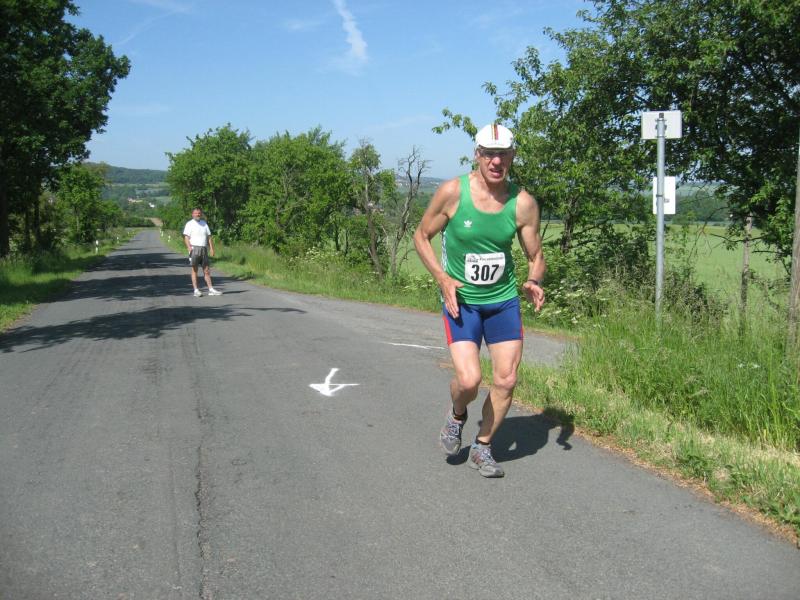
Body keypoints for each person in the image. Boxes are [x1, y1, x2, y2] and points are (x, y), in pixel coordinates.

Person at [413, 123, 545, 478]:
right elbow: (421, 236)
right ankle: (457, 414)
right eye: (489, 154)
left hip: (502, 302)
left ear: (513, 156)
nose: (496, 161)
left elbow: (536, 255)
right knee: (470, 381)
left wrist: (533, 280)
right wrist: (442, 278)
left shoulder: (522, 203)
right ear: (477, 155)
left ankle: (482, 447)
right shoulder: (453, 193)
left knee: (506, 380)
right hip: (463, 302)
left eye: (503, 154)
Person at [183, 207, 222, 297]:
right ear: (192, 214)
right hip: (194, 248)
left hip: (204, 249)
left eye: (199, 213)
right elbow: (186, 237)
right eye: (196, 213)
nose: (198, 214)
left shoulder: (204, 223)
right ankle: (196, 290)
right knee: (194, 270)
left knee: (206, 270)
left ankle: (211, 289)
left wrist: (211, 248)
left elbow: (209, 237)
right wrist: (189, 248)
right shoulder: (189, 224)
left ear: (201, 214)